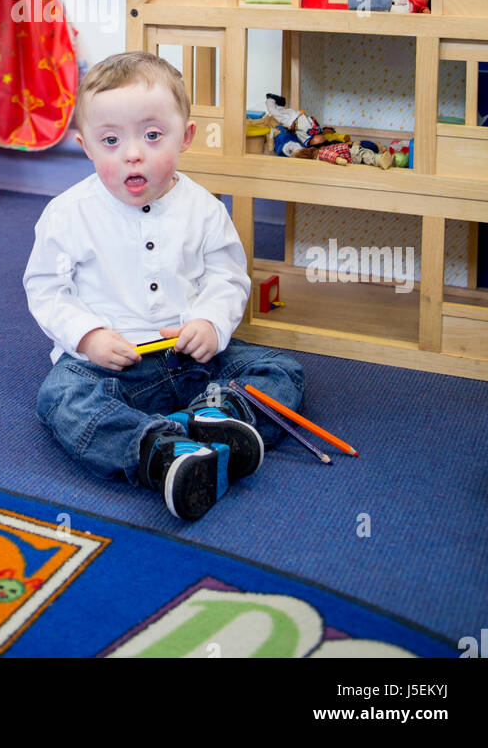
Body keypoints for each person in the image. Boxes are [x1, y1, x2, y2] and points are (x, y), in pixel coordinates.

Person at [23, 51, 305, 521]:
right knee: (59, 399)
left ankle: (218, 419)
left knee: (280, 370)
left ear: (185, 137)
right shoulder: (68, 214)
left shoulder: (204, 207)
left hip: (191, 357)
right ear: (86, 147)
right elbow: (47, 288)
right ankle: (159, 452)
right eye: (110, 140)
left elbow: (227, 275)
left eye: (153, 136)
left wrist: (211, 322)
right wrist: (88, 337)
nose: (133, 153)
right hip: (111, 369)